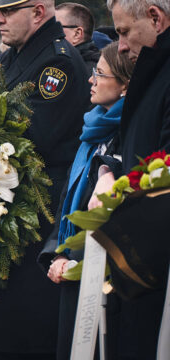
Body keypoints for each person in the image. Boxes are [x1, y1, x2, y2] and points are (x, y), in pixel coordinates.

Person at [0, 1, 90, 359]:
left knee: (22, 336)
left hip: (35, 216)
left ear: (38, 12)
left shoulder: (58, 63)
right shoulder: (5, 61)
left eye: (7, 12)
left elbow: (30, 139)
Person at [38, 42, 134, 360]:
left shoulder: (127, 136)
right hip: (69, 266)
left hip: (100, 275)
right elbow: (69, 201)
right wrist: (55, 254)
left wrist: (72, 259)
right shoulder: (92, 133)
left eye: (99, 74)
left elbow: (103, 214)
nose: (91, 80)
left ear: (124, 87)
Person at [87, 1, 170, 358]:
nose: (120, 45)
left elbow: (162, 173)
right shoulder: (155, 71)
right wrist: (108, 171)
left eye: (123, 32)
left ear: (155, 17)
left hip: (153, 269)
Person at [56, 3, 100, 76]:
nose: (49, 32)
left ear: (77, 34)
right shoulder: (62, 62)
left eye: (56, 28)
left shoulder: (86, 74)